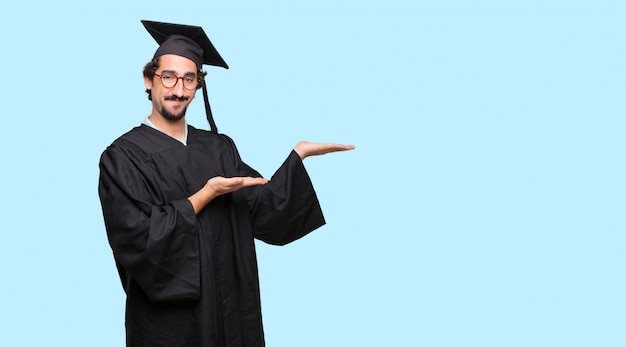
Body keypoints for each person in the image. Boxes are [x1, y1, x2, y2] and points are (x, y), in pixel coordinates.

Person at [98, 20, 354, 347]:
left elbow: (261, 207)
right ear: (149, 80)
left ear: (198, 85)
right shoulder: (123, 157)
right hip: (172, 323)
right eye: (168, 76)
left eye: (189, 79)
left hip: (231, 307)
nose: (178, 89)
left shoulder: (219, 147)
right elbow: (135, 238)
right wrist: (204, 196)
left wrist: (296, 158)